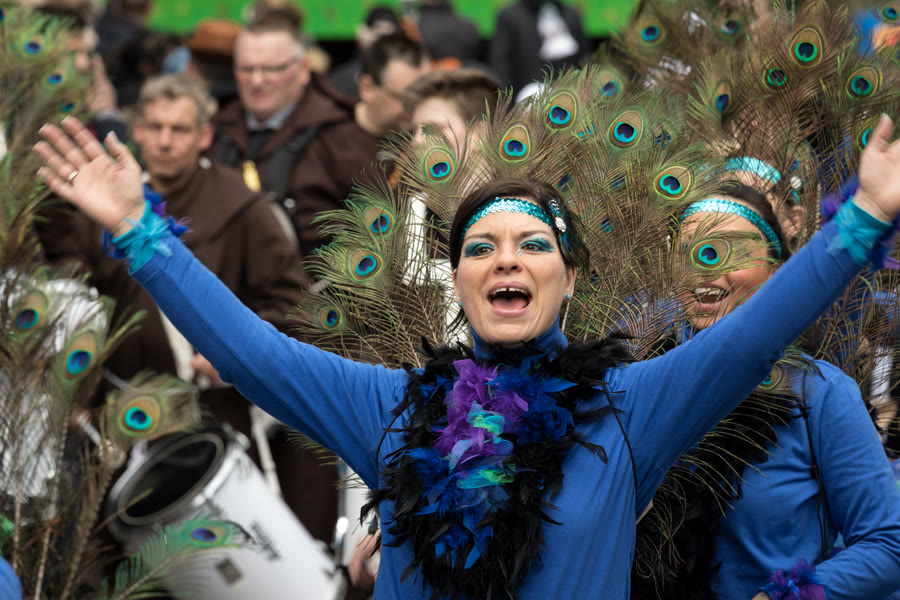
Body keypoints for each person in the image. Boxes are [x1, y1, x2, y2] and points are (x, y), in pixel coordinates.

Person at [32, 111, 900, 599]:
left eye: (533, 244)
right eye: (482, 247)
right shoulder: (388, 411)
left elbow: (751, 338)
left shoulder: (631, 409)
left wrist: (859, 221)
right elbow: (254, 354)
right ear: (460, 280)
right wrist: (140, 233)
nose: (506, 260)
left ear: (569, 278)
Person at [631, 182, 900, 599]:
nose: (704, 263)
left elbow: (888, 544)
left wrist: (782, 597)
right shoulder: (634, 382)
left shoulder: (822, 394)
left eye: (732, 249)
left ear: (778, 272)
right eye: (689, 250)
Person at [211, 17, 417, 255]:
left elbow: (388, 234)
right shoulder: (210, 130)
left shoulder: (342, 137)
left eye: (271, 69)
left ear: (303, 70)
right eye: (246, 69)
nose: (256, 81)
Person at [490, 0, 588, 97]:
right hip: (527, 95)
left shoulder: (570, 14)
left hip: (568, 94)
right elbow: (502, 65)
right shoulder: (510, 16)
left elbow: (584, 61)